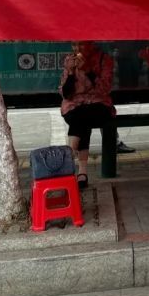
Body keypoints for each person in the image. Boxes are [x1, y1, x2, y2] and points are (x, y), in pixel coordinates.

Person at [59, 41, 116, 189]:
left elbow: (104, 89)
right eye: (74, 45)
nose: (77, 49)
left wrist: (89, 70)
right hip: (74, 105)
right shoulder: (69, 60)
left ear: (91, 44)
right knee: (80, 117)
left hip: (99, 104)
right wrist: (71, 73)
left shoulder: (104, 59)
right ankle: (81, 171)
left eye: (81, 45)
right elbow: (66, 94)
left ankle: (72, 157)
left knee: (81, 118)